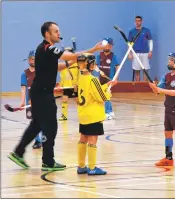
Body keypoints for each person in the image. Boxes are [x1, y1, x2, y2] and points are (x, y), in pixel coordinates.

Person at [8, 21, 109, 171]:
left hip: (40, 92)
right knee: (50, 127)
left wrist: (70, 64)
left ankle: (18, 152)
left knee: (36, 124)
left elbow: (56, 67)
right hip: (43, 94)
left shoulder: (43, 49)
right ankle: (48, 162)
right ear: (47, 34)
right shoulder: (49, 48)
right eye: (56, 31)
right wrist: (93, 49)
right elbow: (73, 55)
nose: (58, 34)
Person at [76, 53, 116, 175]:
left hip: (83, 114)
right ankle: (92, 167)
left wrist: (106, 85)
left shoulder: (81, 77)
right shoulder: (93, 79)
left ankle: (81, 166)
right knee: (92, 140)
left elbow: (92, 91)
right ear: (91, 65)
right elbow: (102, 97)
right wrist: (109, 92)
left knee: (83, 139)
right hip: (93, 116)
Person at [149, 52, 175, 168]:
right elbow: (158, 91)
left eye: (172, 60)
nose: (169, 61)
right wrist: (154, 87)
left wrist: (160, 91)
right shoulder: (166, 76)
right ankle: (168, 158)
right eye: (170, 59)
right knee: (167, 134)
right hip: (168, 109)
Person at [93, 37, 119, 120]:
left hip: (109, 79)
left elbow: (117, 67)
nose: (105, 47)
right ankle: (110, 111)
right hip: (101, 79)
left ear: (110, 46)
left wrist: (116, 78)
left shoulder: (113, 56)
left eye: (107, 45)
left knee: (106, 95)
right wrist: (98, 72)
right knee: (104, 95)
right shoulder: (99, 55)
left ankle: (107, 112)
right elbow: (96, 66)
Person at [21, 50, 42, 149]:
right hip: (29, 102)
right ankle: (37, 140)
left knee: (41, 121)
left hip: (40, 101)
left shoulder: (41, 72)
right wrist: (22, 102)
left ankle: (41, 140)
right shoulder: (24, 74)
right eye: (31, 59)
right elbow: (23, 88)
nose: (33, 61)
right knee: (34, 122)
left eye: (35, 59)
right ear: (28, 60)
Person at [128, 16, 153, 82]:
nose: (137, 22)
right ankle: (138, 87)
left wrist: (150, 51)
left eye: (139, 21)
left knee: (145, 70)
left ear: (141, 21)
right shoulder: (132, 31)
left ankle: (144, 87)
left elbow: (150, 40)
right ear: (134, 22)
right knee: (137, 71)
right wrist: (129, 53)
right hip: (135, 53)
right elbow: (129, 43)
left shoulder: (146, 30)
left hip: (145, 53)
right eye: (136, 21)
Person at [58, 47, 79, 121]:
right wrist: (61, 86)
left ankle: (82, 113)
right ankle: (64, 115)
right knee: (64, 100)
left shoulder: (76, 64)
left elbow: (79, 75)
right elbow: (62, 77)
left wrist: (77, 84)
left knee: (78, 101)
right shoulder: (63, 65)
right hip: (66, 86)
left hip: (75, 86)